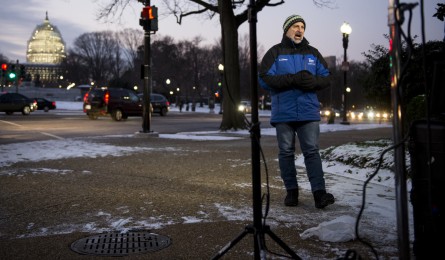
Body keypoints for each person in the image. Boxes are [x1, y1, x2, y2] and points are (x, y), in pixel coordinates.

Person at [259, 14, 335, 209]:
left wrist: (313, 82)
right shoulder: (274, 52)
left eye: (302, 26)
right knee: (286, 152)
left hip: (308, 112)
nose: (299, 30)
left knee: (312, 152)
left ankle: (320, 194)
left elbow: (326, 77)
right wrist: (292, 79)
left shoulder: (313, 53)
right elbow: (264, 78)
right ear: (286, 30)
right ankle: (291, 192)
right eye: (295, 26)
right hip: (283, 112)